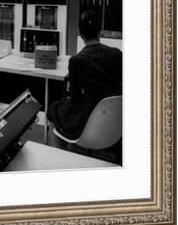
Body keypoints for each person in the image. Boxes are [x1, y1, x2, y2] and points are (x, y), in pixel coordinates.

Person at [47, 10, 123, 141]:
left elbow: (75, 98)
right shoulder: (116, 54)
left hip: (88, 118)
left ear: (81, 35)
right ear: (99, 33)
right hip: (115, 117)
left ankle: (60, 154)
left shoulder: (76, 60)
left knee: (52, 109)